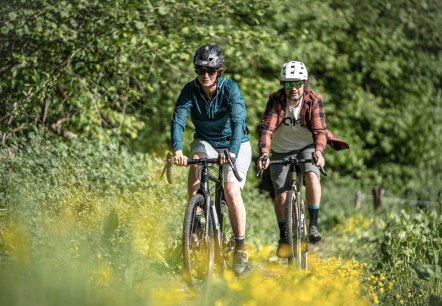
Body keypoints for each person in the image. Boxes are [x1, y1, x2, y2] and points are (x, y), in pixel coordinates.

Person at [171, 44, 252, 275]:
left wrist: (232, 152)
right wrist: (177, 150)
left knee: (231, 190)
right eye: (200, 71)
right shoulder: (190, 90)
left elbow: (238, 123)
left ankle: (240, 247)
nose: (205, 76)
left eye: (211, 71)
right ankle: (195, 219)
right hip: (206, 140)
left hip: (235, 143)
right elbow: (178, 120)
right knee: (196, 159)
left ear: (219, 72)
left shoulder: (231, 89)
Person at [257, 61, 349, 258]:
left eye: (297, 83)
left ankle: (314, 224)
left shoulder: (313, 99)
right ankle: (284, 236)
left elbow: (319, 130)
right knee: (281, 195)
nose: (293, 89)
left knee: (311, 175)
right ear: (283, 84)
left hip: (307, 147)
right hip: (281, 150)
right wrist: (264, 153)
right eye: (288, 84)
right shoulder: (276, 100)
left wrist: (319, 152)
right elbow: (267, 129)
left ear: (304, 83)